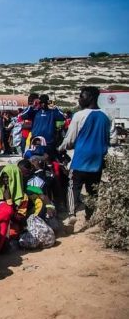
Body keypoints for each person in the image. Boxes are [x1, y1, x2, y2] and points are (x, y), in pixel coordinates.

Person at [59, 86, 111, 224]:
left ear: (91, 97)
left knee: (72, 186)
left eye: (82, 96)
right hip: (98, 160)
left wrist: (60, 148)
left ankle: (71, 214)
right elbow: (112, 139)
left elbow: (69, 140)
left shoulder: (79, 115)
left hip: (81, 158)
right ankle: (90, 217)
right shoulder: (107, 116)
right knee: (93, 189)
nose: (79, 99)